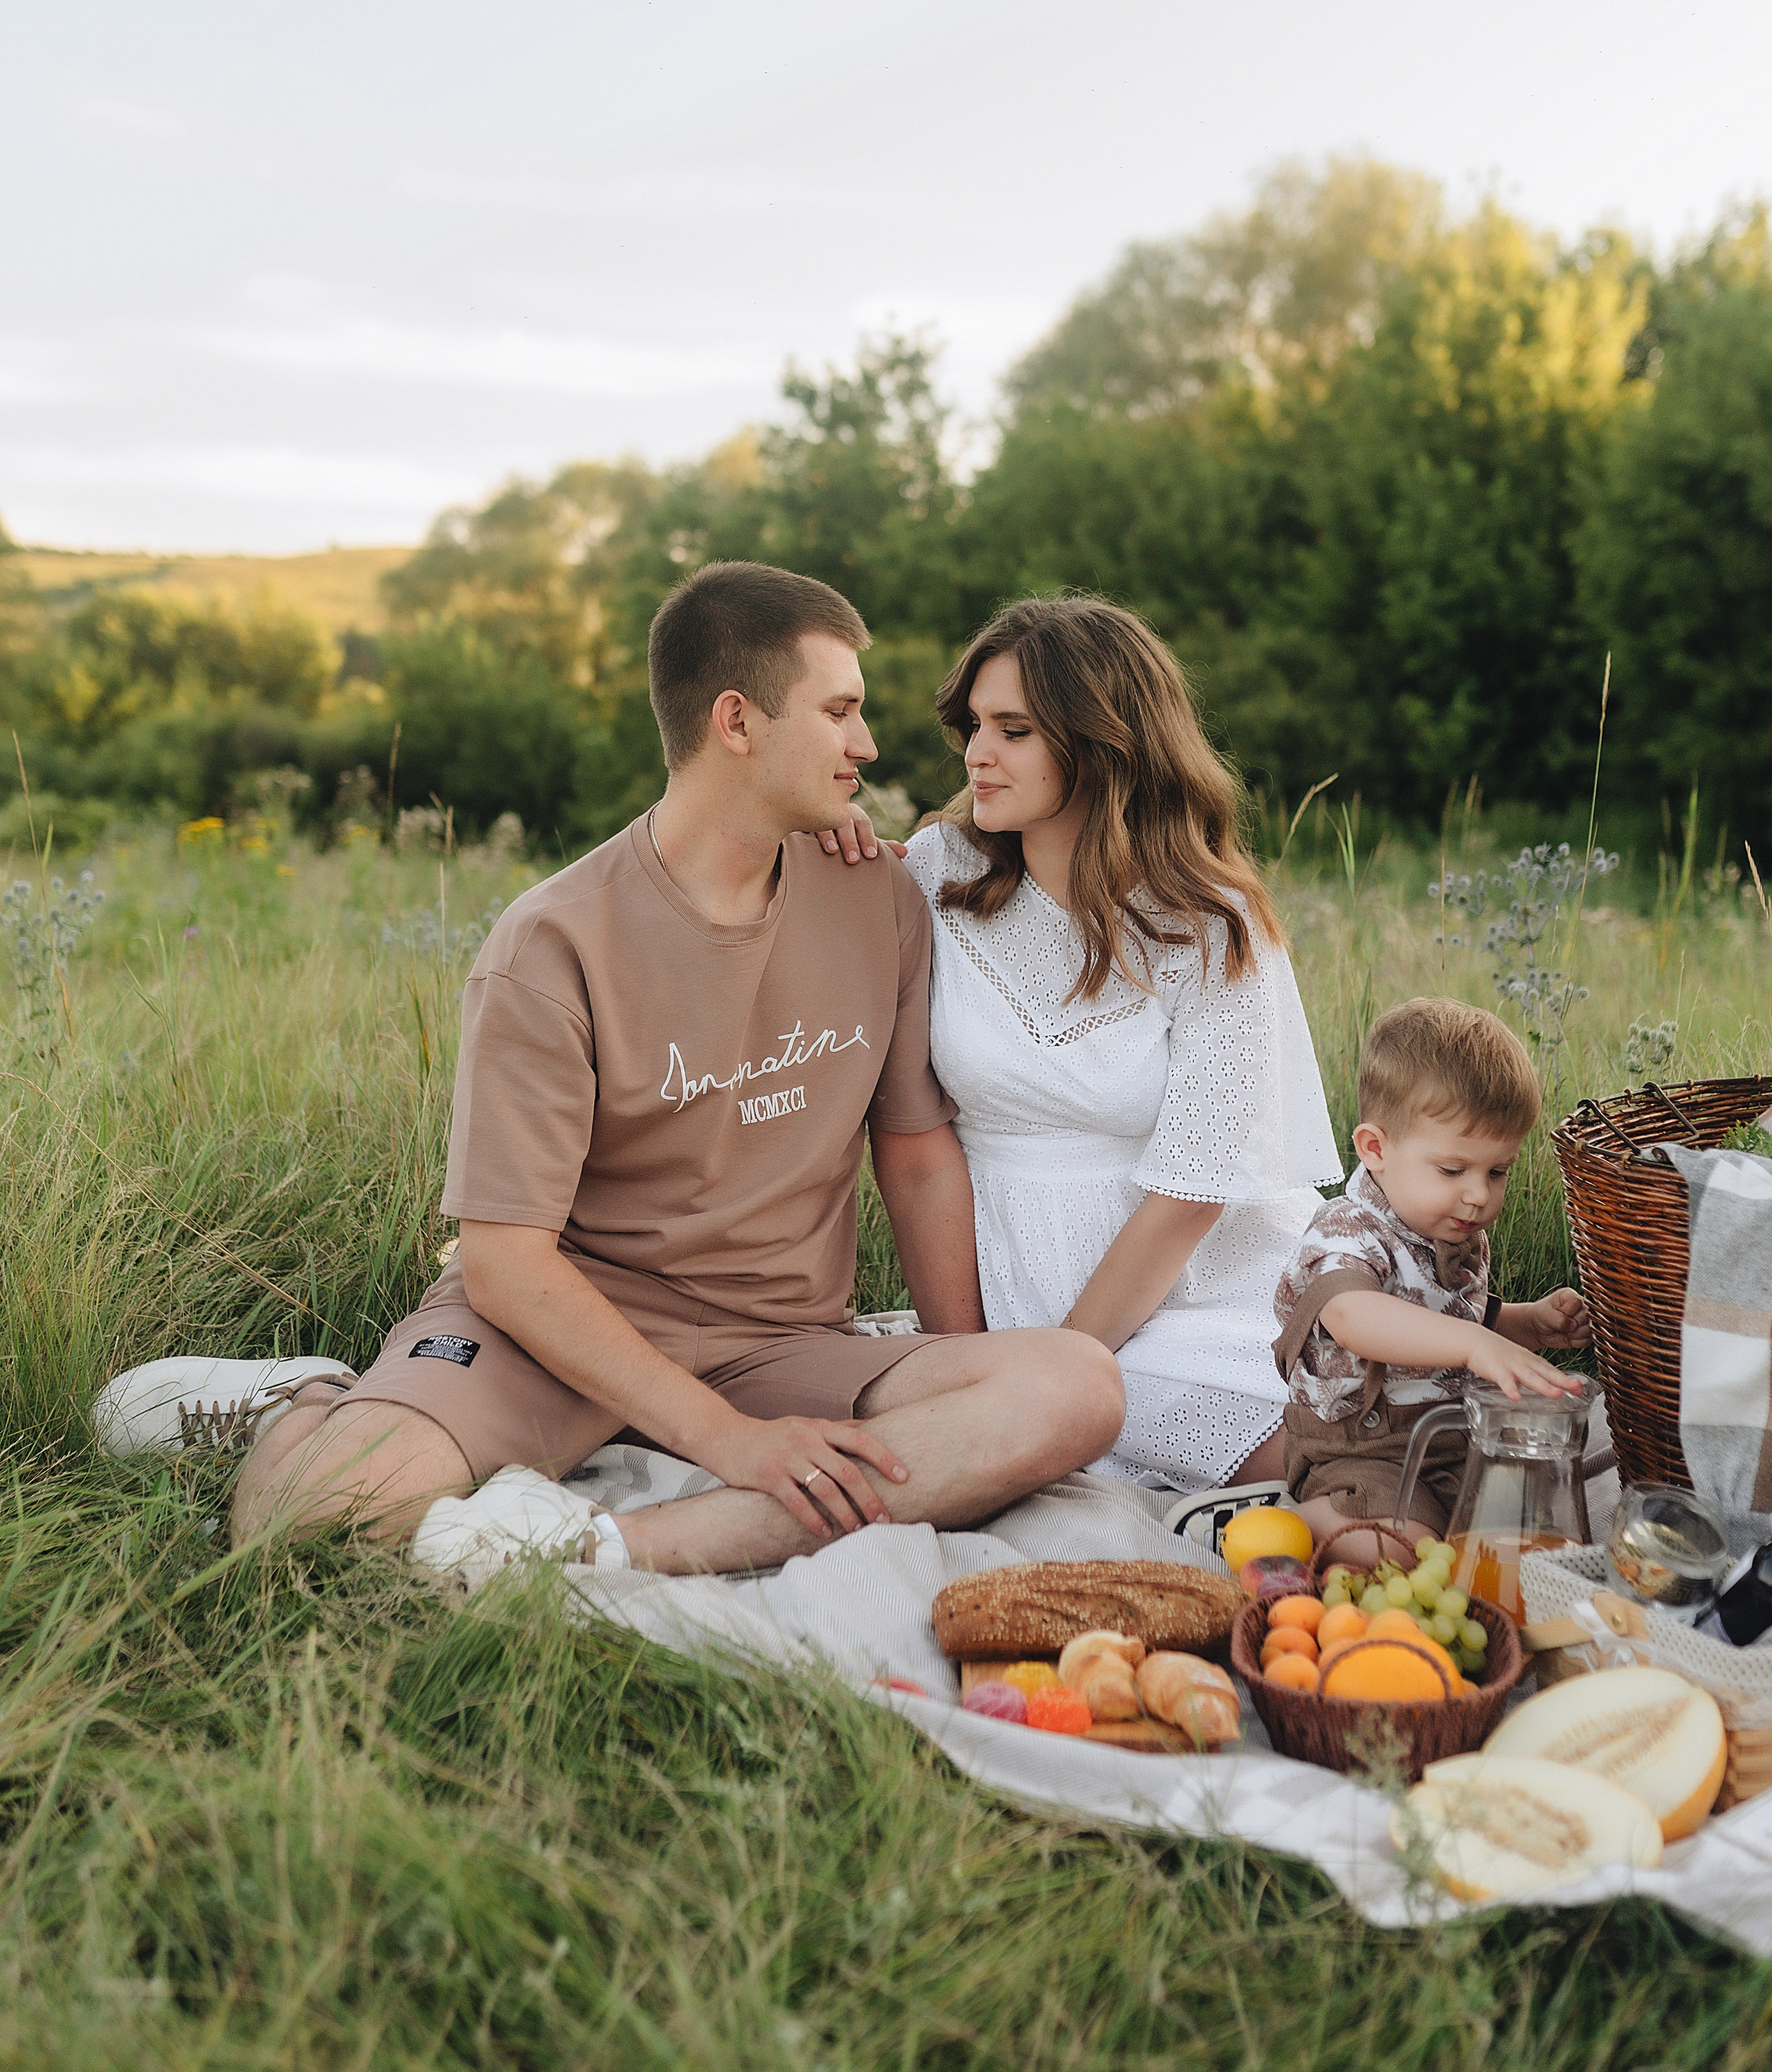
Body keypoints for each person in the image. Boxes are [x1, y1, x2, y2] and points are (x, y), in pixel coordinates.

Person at [229, 561, 1123, 1570]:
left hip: (782, 1345)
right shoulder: (552, 943)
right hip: (565, 1333)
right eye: (839, 712)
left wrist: (956, 1367)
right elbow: (507, 1264)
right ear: (737, 722)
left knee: (1072, 1387)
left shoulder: (879, 899)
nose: (868, 746)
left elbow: (915, 1157)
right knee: (308, 1527)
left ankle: (616, 1547)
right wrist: (727, 1442)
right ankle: (311, 1398)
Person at [893, 594, 1341, 1500]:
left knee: (1338, 1457)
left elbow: (1189, 1197)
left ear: (1102, 743)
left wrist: (1059, 1367)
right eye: (975, 725)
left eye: (1013, 729)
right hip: (1011, 1282)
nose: (978, 752)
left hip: (1196, 1292)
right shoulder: (939, 872)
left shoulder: (1215, 926)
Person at [1272, 994, 1589, 1550]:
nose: (1478, 1195)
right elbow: (1354, 1316)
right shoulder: (1346, 1228)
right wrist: (1472, 1345)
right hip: (1362, 1450)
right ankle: (1299, 1525)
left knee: (1525, 1531)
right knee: (1397, 1551)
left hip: (1454, 1440)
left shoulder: (1453, 1232)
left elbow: (1459, 1318)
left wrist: (1527, 1326)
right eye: (1452, 1169)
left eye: (1498, 1171)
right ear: (1376, 1149)